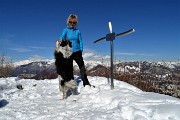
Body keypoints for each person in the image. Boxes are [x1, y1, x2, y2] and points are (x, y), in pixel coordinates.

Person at [58, 14, 94, 87]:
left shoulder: (78, 31)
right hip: (69, 52)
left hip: (77, 51)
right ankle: (71, 84)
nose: (72, 24)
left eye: (74, 22)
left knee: (82, 67)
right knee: (69, 69)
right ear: (68, 22)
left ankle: (86, 83)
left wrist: (81, 49)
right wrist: (61, 43)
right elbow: (62, 38)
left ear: (76, 23)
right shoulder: (65, 30)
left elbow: (80, 41)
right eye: (70, 22)